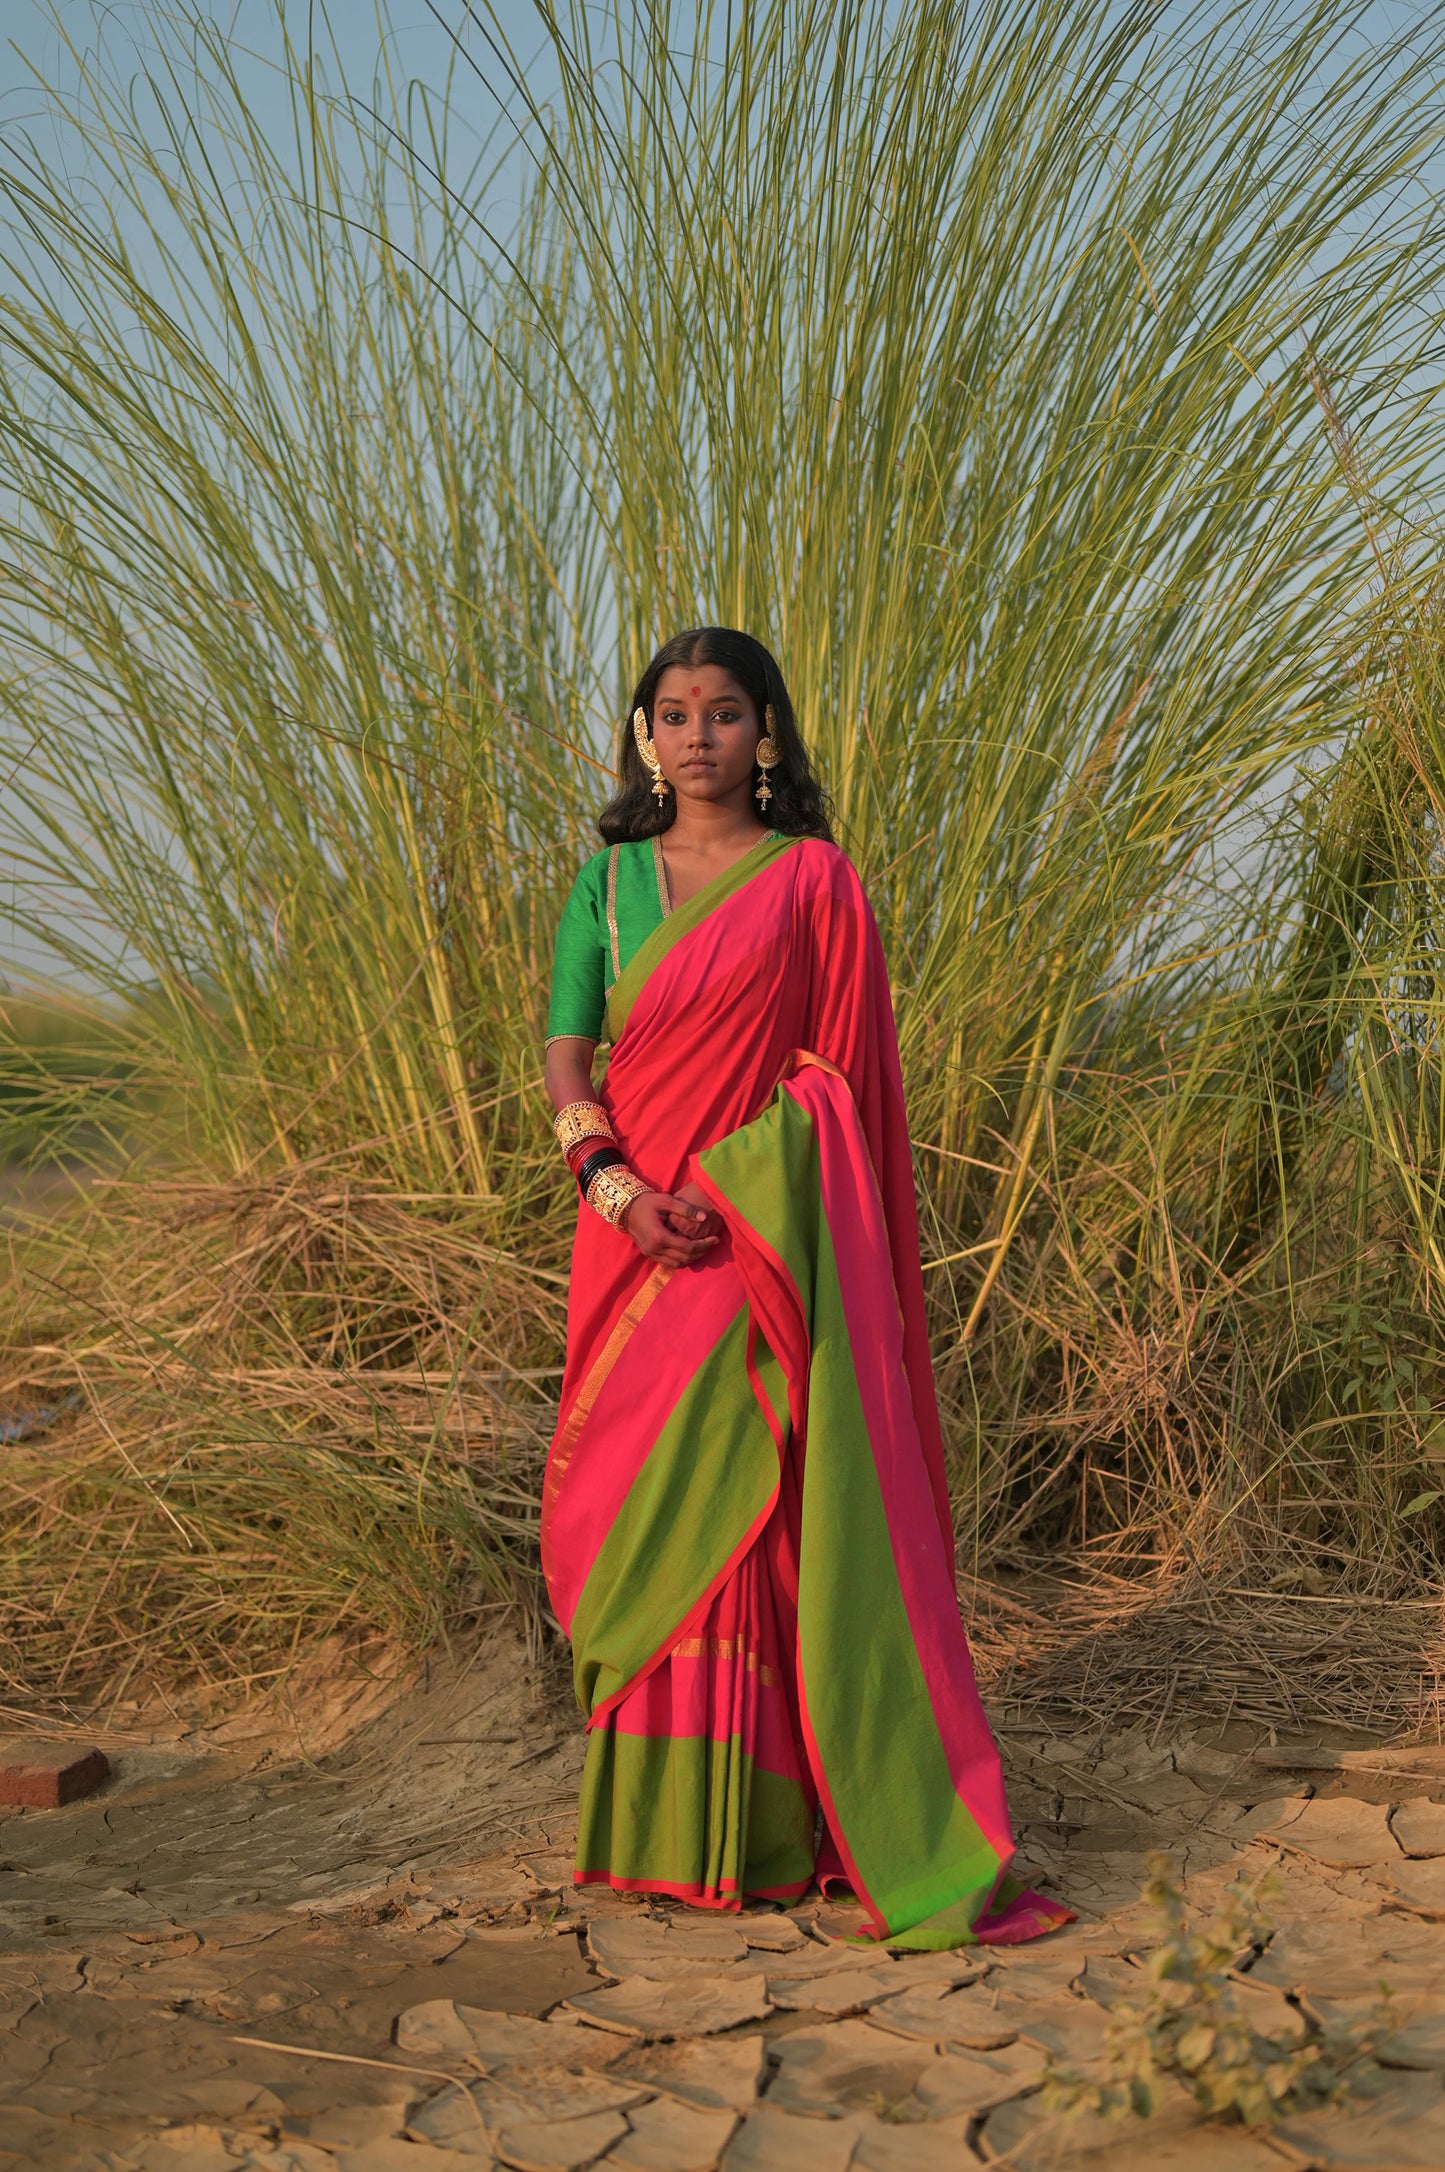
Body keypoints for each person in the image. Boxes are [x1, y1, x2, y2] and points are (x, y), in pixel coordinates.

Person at [542, 627, 1069, 1947]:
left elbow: (840, 1083)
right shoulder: (604, 887)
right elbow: (566, 1064)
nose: (697, 736)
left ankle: (779, 1830)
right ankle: (654, 1830)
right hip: (630, 1240)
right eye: (671, 713)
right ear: (643, 733)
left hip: (754, 1240)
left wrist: (735, 1189)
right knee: (639, 1506)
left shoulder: (814, 883)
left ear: (765, 733)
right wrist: (615, 1189)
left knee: (760, 1513)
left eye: (725, 714)